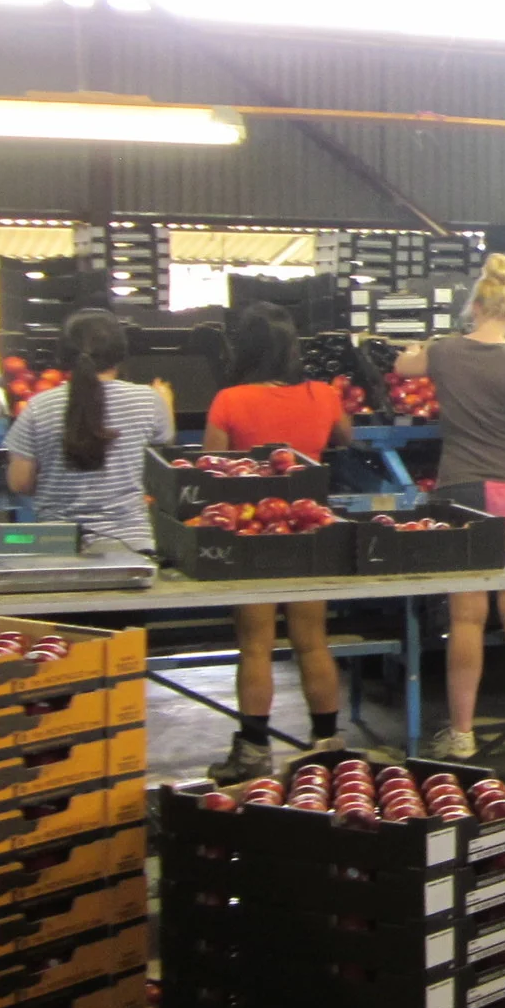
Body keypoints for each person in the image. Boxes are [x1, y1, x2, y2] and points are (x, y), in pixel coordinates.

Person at [392, 254, 505, 758]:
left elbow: (402, 367)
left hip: (459, 491)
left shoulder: (444, 352)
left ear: (475, 307)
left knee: (466, 618)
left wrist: (413, 348)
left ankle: (462, 733)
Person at [200, 305, 355, 783]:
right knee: (313, 641)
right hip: (309, 529)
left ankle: (253, 752)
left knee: (256, 646)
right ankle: (327, 744)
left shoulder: (229, 400)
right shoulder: (322, 395)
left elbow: (211, 467)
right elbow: (346, 435)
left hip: (252, 533)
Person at [5, 308, 174, 554]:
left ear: (64, 355)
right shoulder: (148, 400)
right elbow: (162, 463)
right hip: (132, 547)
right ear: (120, 354)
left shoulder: (39, 407)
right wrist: (166, 405)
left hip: (56, 547)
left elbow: (21, 482)